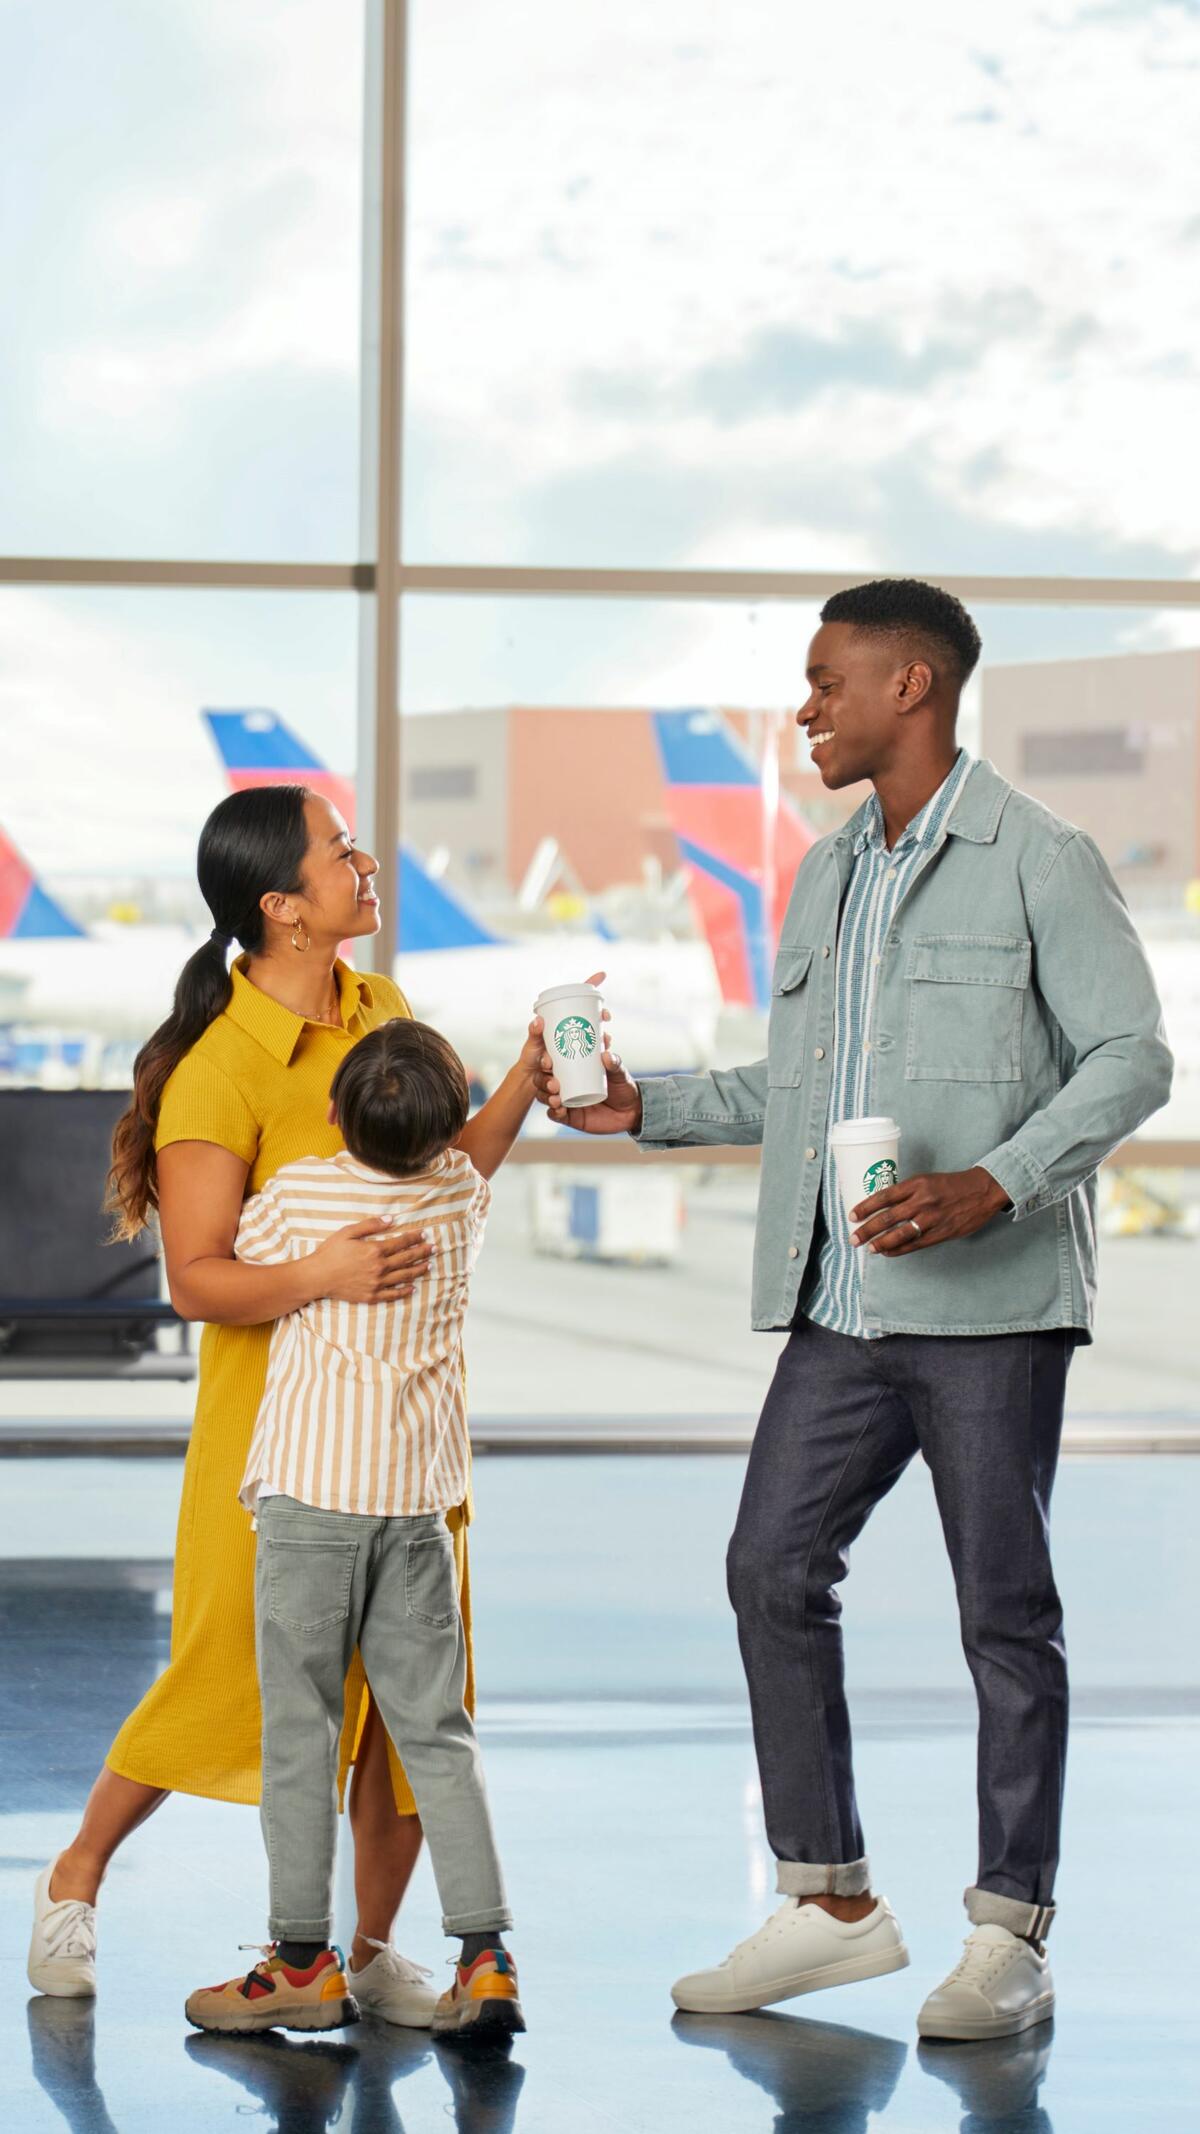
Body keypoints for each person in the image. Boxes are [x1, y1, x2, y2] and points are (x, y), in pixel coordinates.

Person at [535, 578, 1173, 2042]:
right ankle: (829, 1901)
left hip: (992, 1304)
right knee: (770, 1565)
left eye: (826, 682)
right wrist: (650, 1109)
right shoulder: (828, 876)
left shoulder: (1040, 859)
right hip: (842, 1301)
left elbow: (1131, 1059)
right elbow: (798, 1092)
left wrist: (994, 1186)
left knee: (1005, 1616)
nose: (804, 709)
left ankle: (1010, 1930)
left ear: (913, 686)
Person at [28, 783, 553, 2028]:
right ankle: (75, 1872)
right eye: (339, 852)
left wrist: (529, 1079)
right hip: (280, 1443)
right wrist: (323, 1271)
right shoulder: (220, 1072)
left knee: (410, 1711)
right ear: (281, 906)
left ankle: (360, 1954)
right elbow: (199, 1276)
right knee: (224, 1677)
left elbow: (438, 1173)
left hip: (414, 1447)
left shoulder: (384, 1011)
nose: (365, 863)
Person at [184, 1017, 524, 2039]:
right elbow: (472, 1153)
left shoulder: (295, 1200)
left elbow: (227, 1271)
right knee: (437, 1738)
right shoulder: (460, 1197)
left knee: (302, 1734)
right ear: (449, 1121)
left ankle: (299, 1961)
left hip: (310, 1507)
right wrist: (519, 1078)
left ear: (331, 1111)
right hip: (417, 1512)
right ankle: (487, 1955)